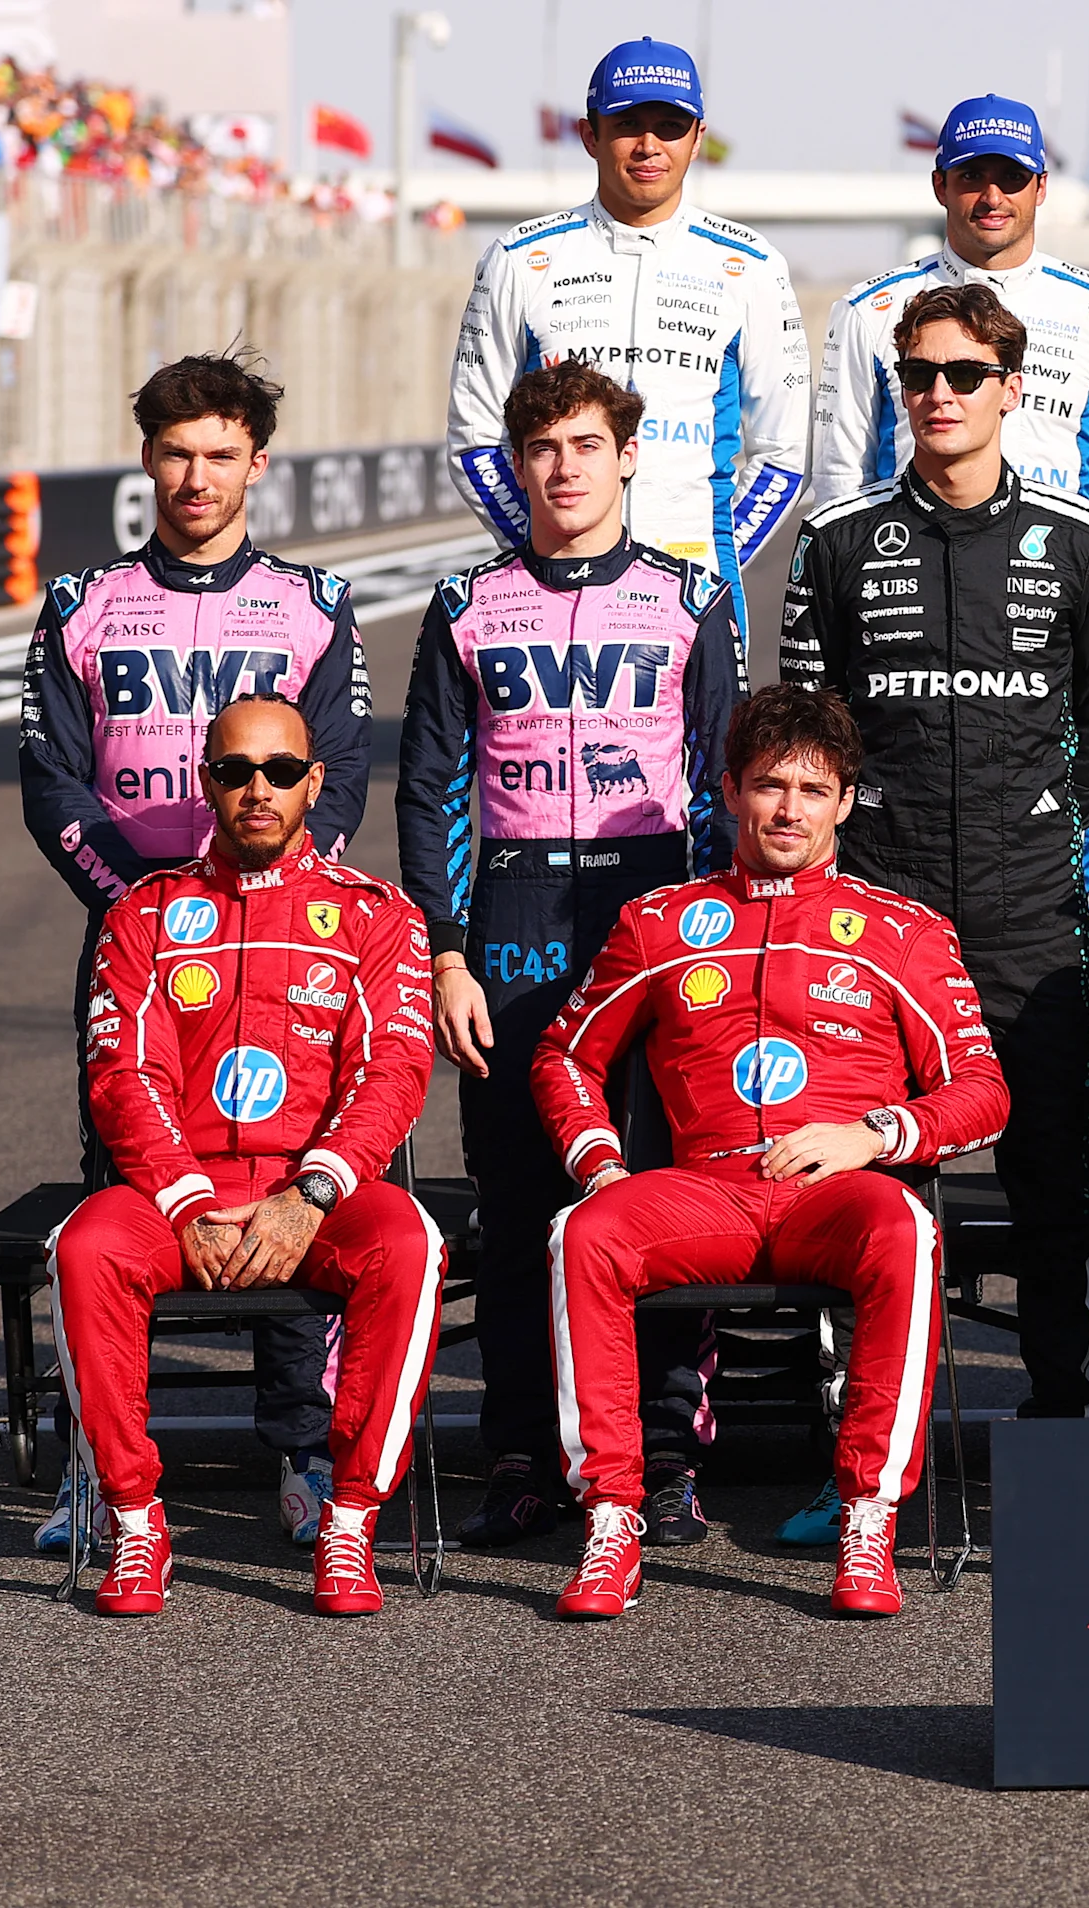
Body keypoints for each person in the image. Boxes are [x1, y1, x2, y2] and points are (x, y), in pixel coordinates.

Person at [533, 685, 1009, 1621]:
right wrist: (603, 1166)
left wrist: (871, 1135)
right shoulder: (658, 922)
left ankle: (868, 1515)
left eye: (812, 788)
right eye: (767, 786)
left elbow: (983, 1094)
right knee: (581, 1233)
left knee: (904, 1234)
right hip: (704, 1194)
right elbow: (563, 1056)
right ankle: (610, 1517)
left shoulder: (903, 931)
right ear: (726, 793)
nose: (789, 809)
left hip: (841, 1195)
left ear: (845, 802)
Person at [18, 352, 368, 1555]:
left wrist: (253, 908)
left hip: (283, 944)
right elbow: (52, 784)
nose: (197, 476)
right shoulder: (81, 604)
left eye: (222, 454)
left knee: (280, 1178)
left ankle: (302, 1451)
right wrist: (152, 912)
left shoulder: (316, 605)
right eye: (177, 453)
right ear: (148, 459)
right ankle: (100, 1464)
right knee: (130, 1192)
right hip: (138, 947)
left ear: (256, 465)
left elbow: (342, 778)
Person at [781, 280, 1089, 1438]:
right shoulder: (836, 543)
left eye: (964, 375)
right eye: (920, 376)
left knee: (1053, 1179)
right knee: (875, 1188)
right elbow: (805, 720)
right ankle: (873, 1444)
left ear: (1010, 390)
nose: (940, 395)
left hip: (1028, 903)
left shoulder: (1081, 543)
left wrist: (1051, 817)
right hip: (876, 911)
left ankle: (1061, 1412)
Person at [397, 359, 745, 1551]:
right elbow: (432, 785)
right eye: (543, 450)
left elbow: (720, 782)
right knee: (517, 1193)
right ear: (516, 466)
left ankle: (657, 1455)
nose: (565, 469)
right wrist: (447, 955)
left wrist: (714, 935)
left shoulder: (691, 598)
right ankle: (522, 1451)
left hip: (655, 911)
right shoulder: (467, 605)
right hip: (515, 912)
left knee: (654, 1189)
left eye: (587, 445)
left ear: (628, 455)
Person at [55, 694, 440, 1617]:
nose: (255, 790)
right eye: (233, 772)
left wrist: (308, 1195)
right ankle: (135, 1520)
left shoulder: (378, 915)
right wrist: (187, 1201)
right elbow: (122, 1075)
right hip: (174, 1194)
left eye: (277, 772)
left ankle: (351, 1521)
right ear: (206, 784)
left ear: (314, 782)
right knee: (83, 1248)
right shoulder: (143, 913)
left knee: (413, 1246)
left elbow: (394, 1072)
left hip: (318, 1193)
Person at [448, 38, 809, 593]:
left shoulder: (752, 265)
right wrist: (547, 542)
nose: (648, 145)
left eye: (669, 126)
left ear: (697, 140)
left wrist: (711, 561)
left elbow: (783, 454)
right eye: (627, 124)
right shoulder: (518, 259)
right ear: (590, 135)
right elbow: (474, 438)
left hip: (698, 589)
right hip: (553, 580)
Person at [815, 93, 1089, 547]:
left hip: (1052, 584)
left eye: (1013, 177)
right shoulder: (868, 309)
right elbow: (839, 479)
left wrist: (1086, 583)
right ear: (940, 185)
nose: (992, 197)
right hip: (903, 571)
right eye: (972, 176)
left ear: (1041, 187)